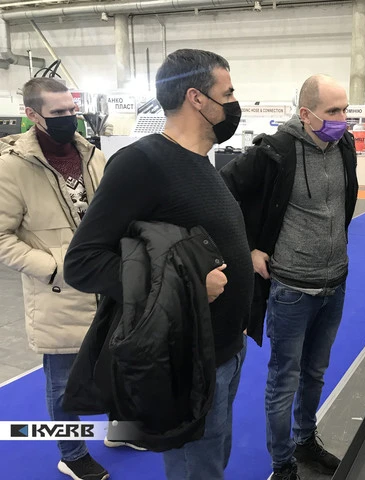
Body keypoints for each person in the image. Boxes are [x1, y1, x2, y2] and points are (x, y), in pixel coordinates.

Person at [63, 49, 254, 480]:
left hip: (225, 348)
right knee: (196, 469)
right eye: (228, 93)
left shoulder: (200, 162)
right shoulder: (142, 163)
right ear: (197, 98)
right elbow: (83, 262)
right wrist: (187, 286)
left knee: (213, 459)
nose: (234, 102)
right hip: (190, 357)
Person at [220, 74, 358, 480]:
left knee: (315, 374)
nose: (342, 118)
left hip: (335, 283)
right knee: (284, 380)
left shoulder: (344, 146)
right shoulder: (275, 151)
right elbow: (223, 191)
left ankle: (305, 441)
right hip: (291, 290)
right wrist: (248, 248)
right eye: (333, 111)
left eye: (345, 109)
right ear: (306, 114)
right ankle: (282, 464)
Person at [0, 78, 109, 480]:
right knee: (63, 383)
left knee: (117, 366)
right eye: (58, 113)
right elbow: (1, 237)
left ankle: (119, 432)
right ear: (32, 115)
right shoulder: (11, 168)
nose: (69, 119)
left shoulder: (93, 156)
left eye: (72, 110)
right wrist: (53, 267)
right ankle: (73, 453)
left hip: (108, 285)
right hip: (57, 293)